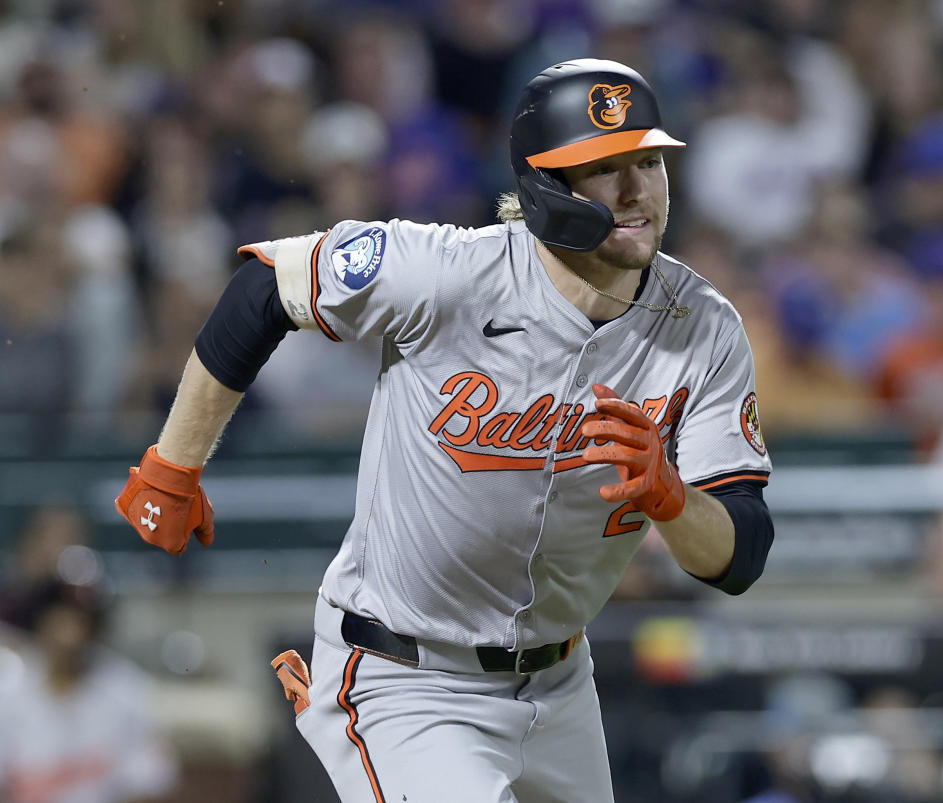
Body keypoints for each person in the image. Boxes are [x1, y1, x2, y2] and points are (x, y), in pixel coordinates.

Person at [114, 58, 774, 802]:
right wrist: (174, 465)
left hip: (560, 684)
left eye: (648, 161)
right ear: (545, 188)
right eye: (604, 167)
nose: (636, 189)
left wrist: (674, 501)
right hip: (407, 677)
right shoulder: (447, 274)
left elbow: (740, 552)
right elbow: (265, 286)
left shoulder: (705, 326)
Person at [0, 580, 179, 803]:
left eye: (82, 621)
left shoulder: (126, 688)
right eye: (61, 618)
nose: (71, 635)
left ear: (96, 629)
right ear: (41, 622)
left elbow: (154, 781)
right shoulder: (8, 688)